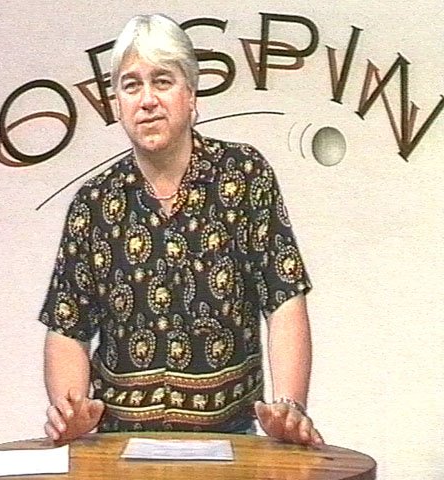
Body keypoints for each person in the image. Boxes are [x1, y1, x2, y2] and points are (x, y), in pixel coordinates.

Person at [39, 13, 323, 446]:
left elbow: (283, 298)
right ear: (117, 104)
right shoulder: (94, 201)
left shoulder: (244, 174)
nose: (147, 100)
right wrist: (72, 413)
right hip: (119, 445)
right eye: (131, 85)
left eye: (162, 81)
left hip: (231, 442)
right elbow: (67, 325)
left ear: (191, 94)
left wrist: (290, 408)